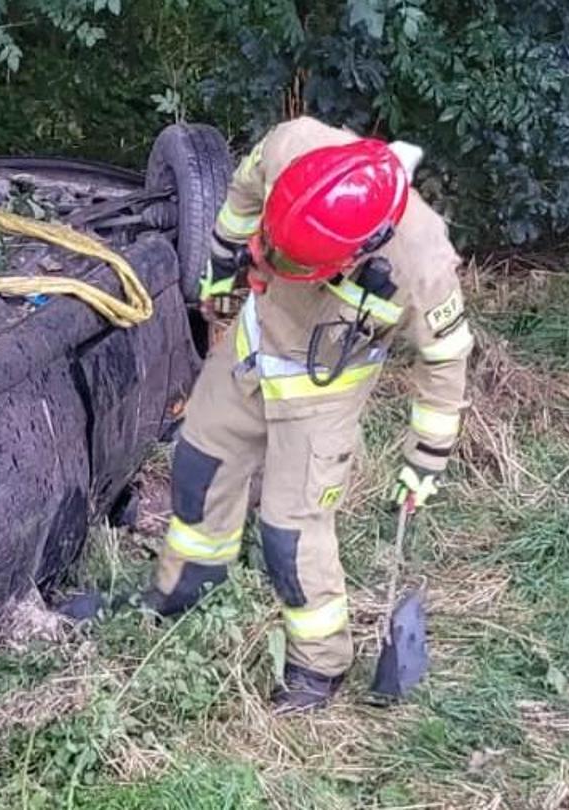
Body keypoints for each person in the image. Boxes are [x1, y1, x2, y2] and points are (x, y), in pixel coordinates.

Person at [146, 117, 473, 713]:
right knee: (198, 467)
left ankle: (318, 667)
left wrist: (425, 461)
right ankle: (184, 593)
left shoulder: (421, 258)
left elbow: (445, 363)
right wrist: (223, 264)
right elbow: (242, 197)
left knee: (290, 533)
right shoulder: (290, 145)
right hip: (252, 346)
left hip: (321, 393)